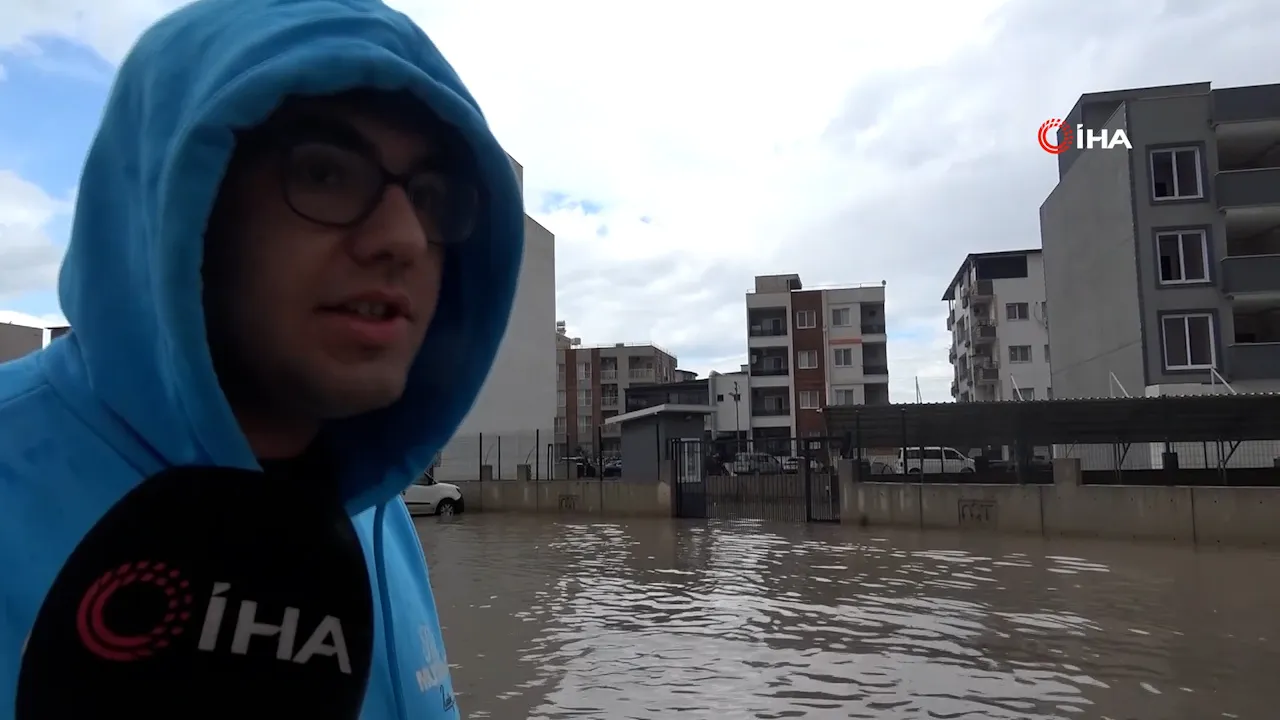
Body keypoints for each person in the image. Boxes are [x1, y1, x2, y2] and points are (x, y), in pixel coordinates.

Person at [0, 0, 522, 717]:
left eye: (431, 197)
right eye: (325, 173)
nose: (403, 236)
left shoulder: (374, 513)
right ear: (178, 203)